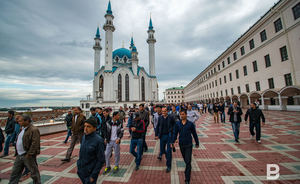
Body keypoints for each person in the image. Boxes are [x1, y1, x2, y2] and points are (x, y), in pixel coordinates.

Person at [8, 114, 41, 184]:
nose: (19, 122)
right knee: (15, 172)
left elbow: (35, 143)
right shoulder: (23, 128)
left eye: (20, 121)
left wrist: (29, 154)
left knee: (34, 173)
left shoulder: (33, 129)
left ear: (27, 121)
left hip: (27, 155)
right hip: (19, 155)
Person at [172, 110, 199, 184]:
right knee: (185, 159)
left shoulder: (190, 124)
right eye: (180, 114)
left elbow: (194, 134)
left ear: (186, 115)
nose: (182, 116)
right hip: (181, 144)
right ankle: (188, 168)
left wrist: (197, 142)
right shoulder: (178, 124)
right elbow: (175, 133)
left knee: (188, 161)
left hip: (189, 144)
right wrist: (173, 141)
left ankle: (187, 179)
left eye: (183, 114)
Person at [77, 117, 105, 184]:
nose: (85, 129)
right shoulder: (84, 137)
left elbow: (101, 160)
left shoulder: (98, 140)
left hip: (90, 173)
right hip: (81, 171)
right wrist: (78, 165)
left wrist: (93, 176)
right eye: (85, 126)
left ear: (94, 128)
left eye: (88, 127)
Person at [155, 107, 175, 173]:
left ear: (167, 111)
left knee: (169, 151)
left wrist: (174, 136)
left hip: (169, 136)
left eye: (165, 111)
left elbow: (174, 126)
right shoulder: (160, 118)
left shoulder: (171, 117)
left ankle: (168, 166)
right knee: (162, 150)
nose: (164, 113)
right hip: (162, 136)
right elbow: (157, 126)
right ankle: (167, 156)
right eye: (163, 111)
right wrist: (156, 135)